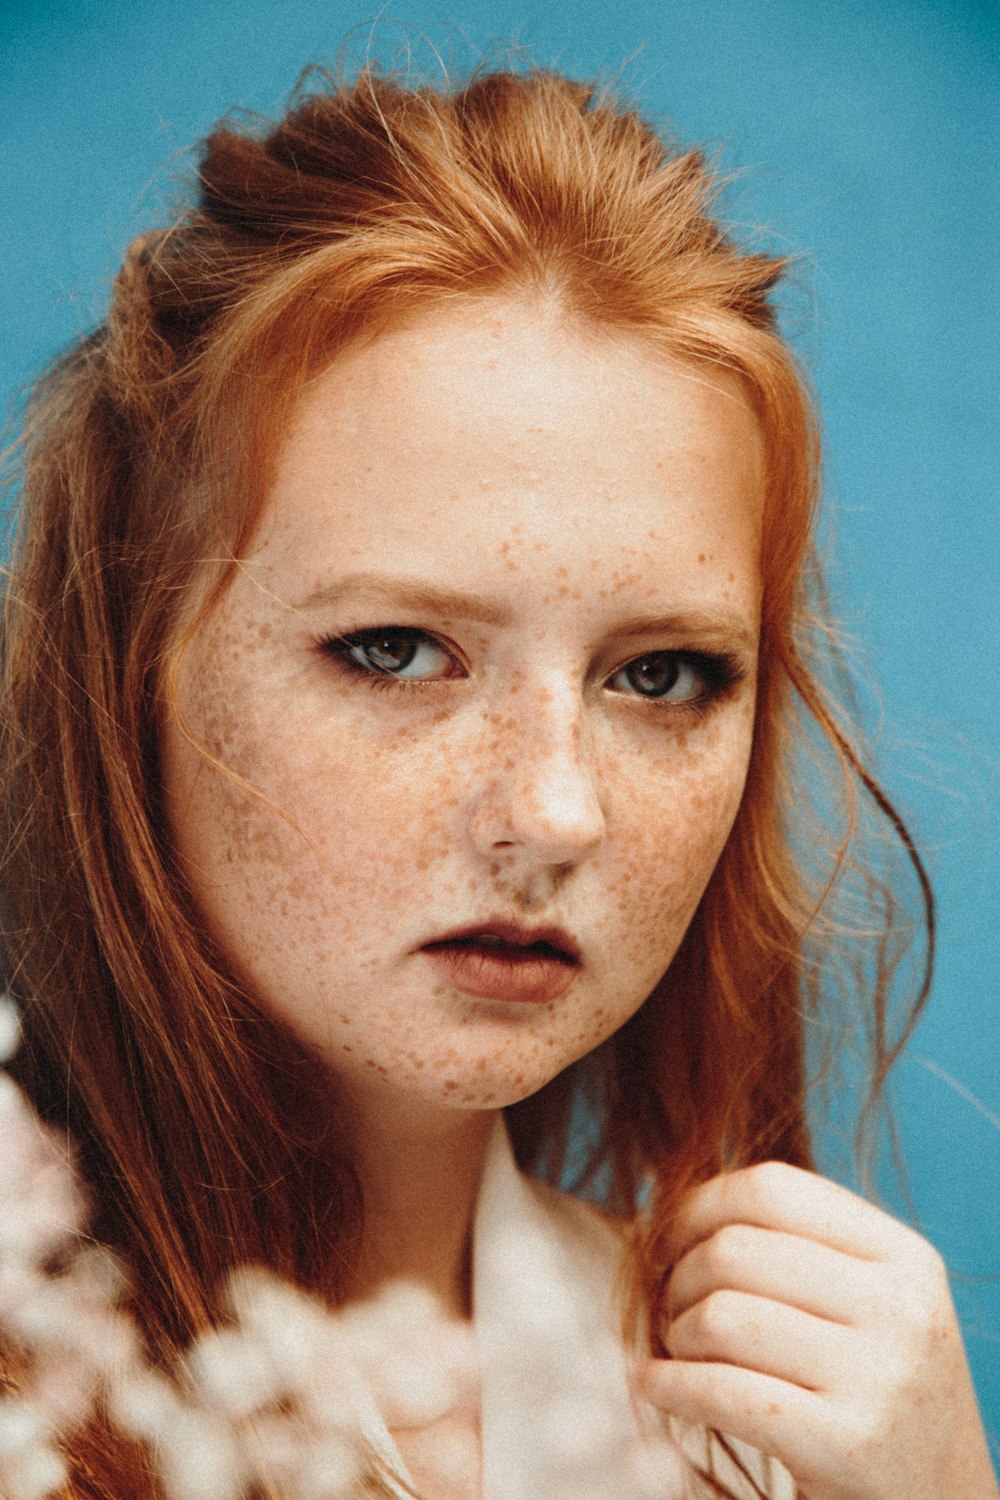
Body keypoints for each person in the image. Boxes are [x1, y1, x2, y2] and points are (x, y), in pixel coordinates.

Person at [1, 62, 996, 1500]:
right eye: (395, 649)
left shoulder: (769, 1434)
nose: (555, 812)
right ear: (124, 672)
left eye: (661, 676)